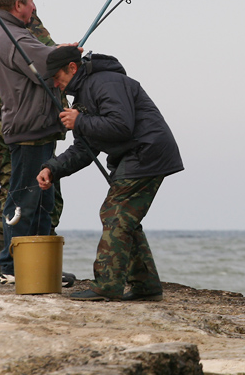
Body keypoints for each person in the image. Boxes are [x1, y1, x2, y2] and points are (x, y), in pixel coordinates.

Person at [37, 46, 184, 301]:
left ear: (72, 68)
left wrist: (80, 121)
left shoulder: (106, 82)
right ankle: (146, 286)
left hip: (147, 152)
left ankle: (106, 286)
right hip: (138, 154)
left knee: (114, 212)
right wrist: (52, 168)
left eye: (56, 77)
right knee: (125, 218)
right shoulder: (82, 93)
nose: (55, 83)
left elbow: (121, 125)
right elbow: (85, 147)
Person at [0, 0, 69, 284]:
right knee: (24, 200)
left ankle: (41, 265)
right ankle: (12, 265)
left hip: (36, 128)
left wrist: (59, 51)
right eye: (31, 0)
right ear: (18, 4)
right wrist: (69, 53)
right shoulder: (12, 37)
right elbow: (46, 62)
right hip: (29, 129)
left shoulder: (9, 33)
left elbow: (42, 55)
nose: (34, 6)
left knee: (42, 200)